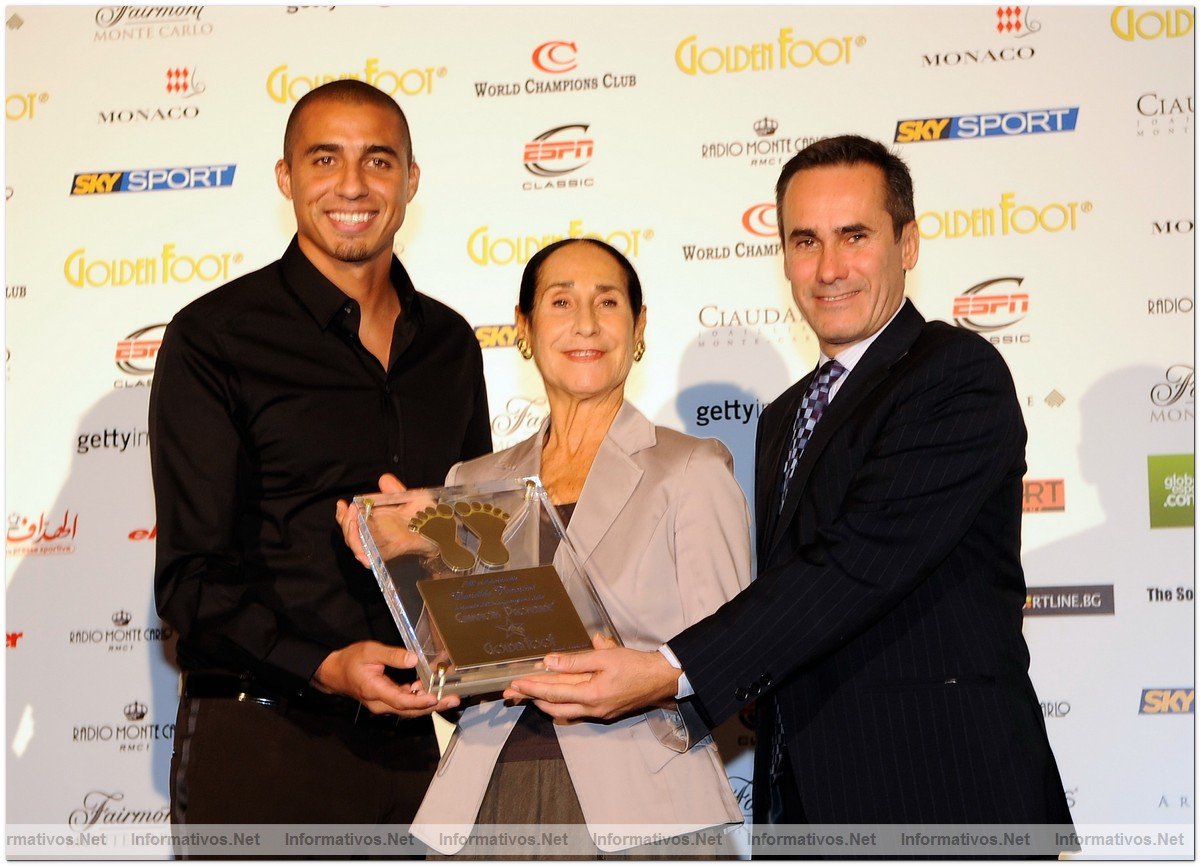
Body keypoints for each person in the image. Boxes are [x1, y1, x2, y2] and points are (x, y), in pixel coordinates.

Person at [507, 137, 1074, 848]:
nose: (829, 268)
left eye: (854, 236)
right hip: (811, 804)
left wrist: (665, 669)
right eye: (805, 240)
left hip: (942, 792)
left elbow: (856, 564)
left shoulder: (955, 374)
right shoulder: (785, 415)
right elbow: (784, 604)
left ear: (909, 242)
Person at [149, 80, 488, 829]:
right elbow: (189, 582)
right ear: (287, 178)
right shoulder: (216, 337)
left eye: (378, 160)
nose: (352, 185)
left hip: (412, 747)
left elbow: (480, 545)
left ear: (410, 181)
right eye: (324, 158)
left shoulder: (450, 346)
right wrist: (323, 665)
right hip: (261, 739)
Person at [342, 238, 751, 856]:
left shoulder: (691, 469)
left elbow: (734, 665)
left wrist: (642, 679)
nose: (584, 323)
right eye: (561, 302)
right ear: (524, 328)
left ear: (638, 327)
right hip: (484, 797)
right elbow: (466, 677)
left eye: (607, 302)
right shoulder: (470, 484)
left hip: (641, 807)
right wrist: (397, 561)